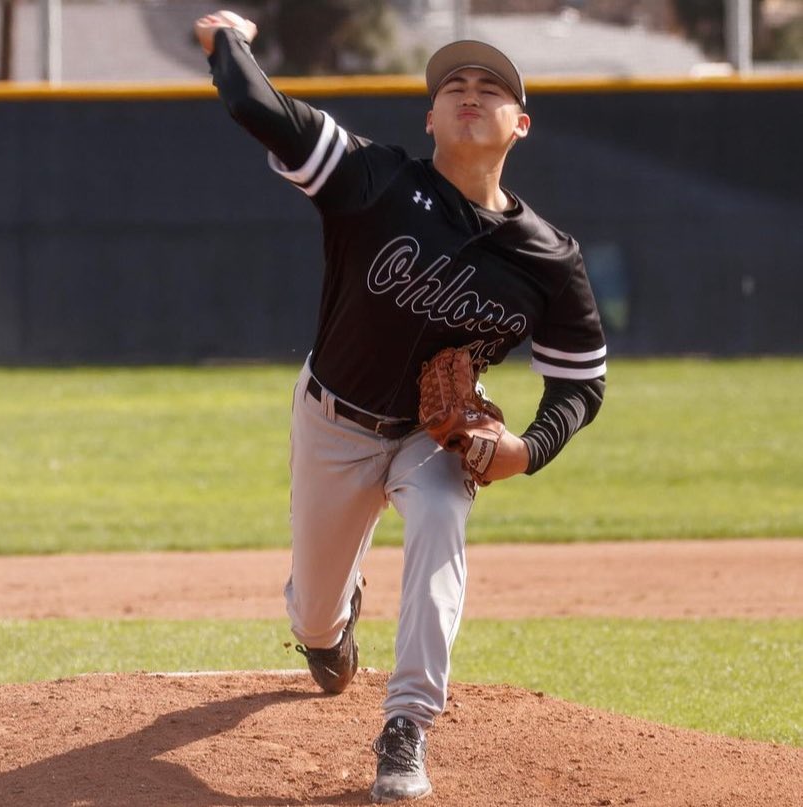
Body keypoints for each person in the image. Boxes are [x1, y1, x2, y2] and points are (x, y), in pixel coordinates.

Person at [194, 11, 606, 803]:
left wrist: (526, 448)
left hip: (433, 437)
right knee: (313, 618)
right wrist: (227, 37)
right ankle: (334, 624)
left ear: (521, 125)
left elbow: (581, 380)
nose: (470, 94)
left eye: (492, 88)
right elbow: (259, 110)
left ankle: (407, 724)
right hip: (333, 421)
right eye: (454, 84)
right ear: (429, 117)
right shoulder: (375, 181)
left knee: (444, 516)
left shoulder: (550, 259)